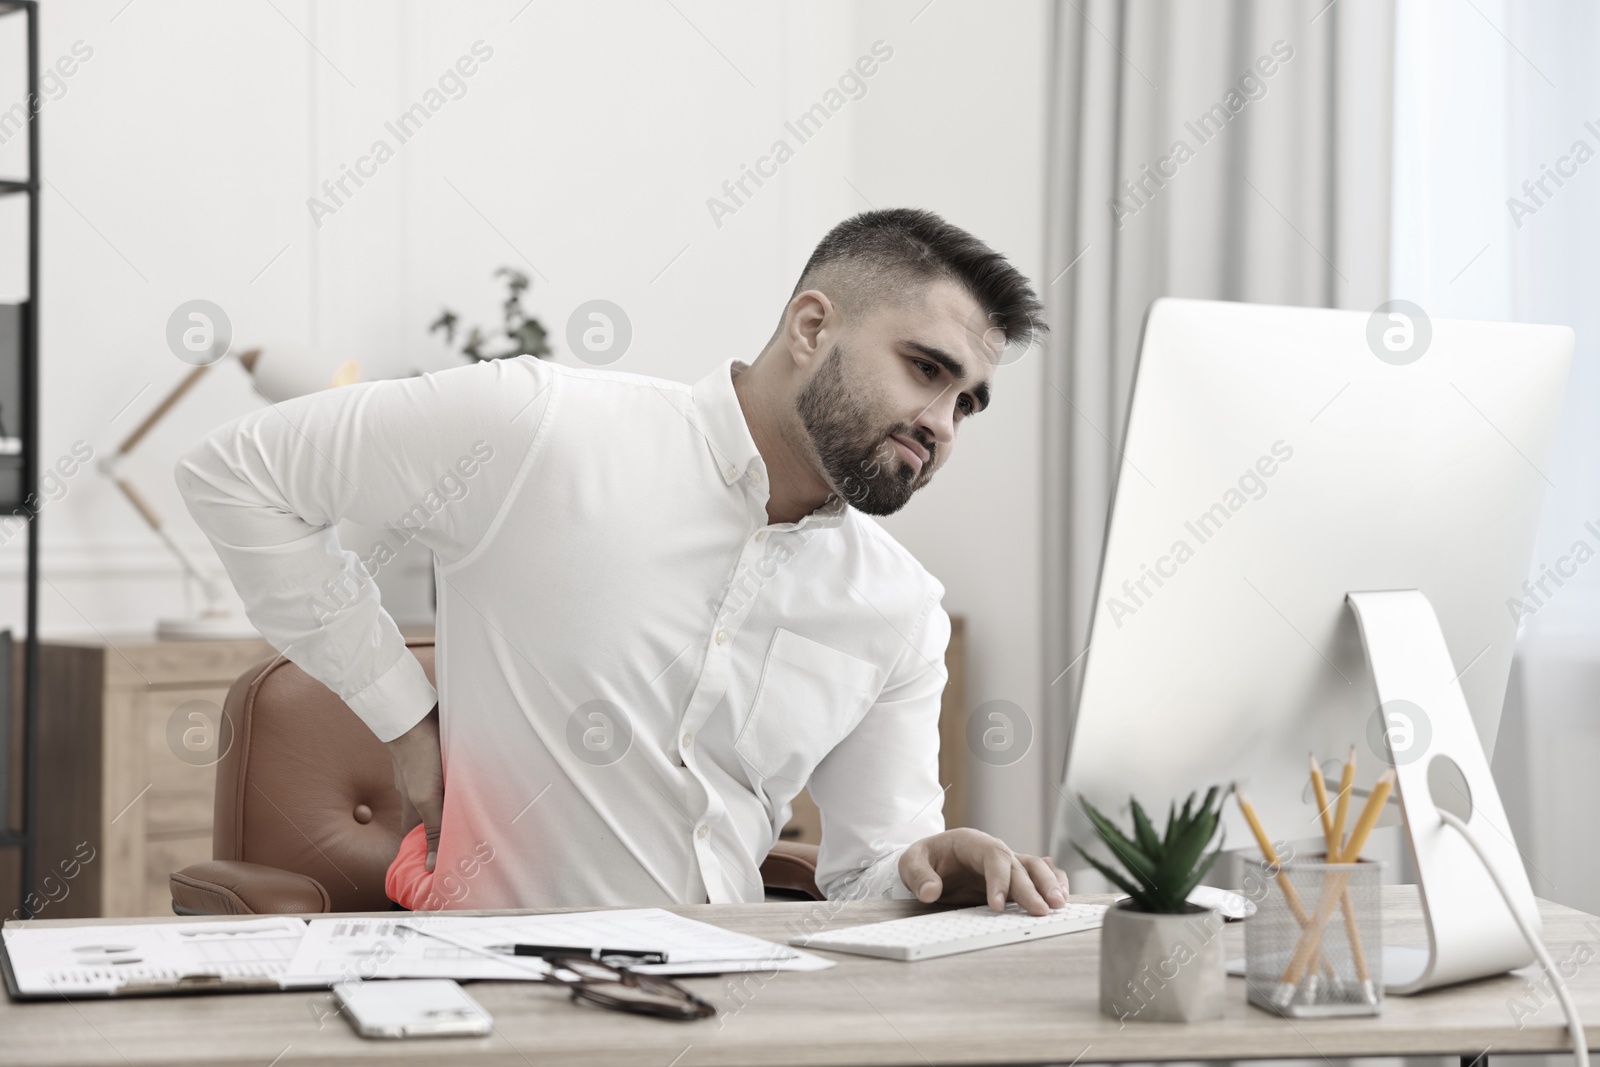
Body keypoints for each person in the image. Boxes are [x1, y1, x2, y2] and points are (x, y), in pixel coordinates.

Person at [175, 207, 1069, 913]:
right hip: (507, 1008)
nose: (942, 426)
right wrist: (406, 720)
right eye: (925, 369)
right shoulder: (539, 431)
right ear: (809, 327)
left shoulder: (899, 609)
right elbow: (233, 475)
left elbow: (866, 876)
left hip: (746, 1008)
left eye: (969, 404)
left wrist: (927, 869)